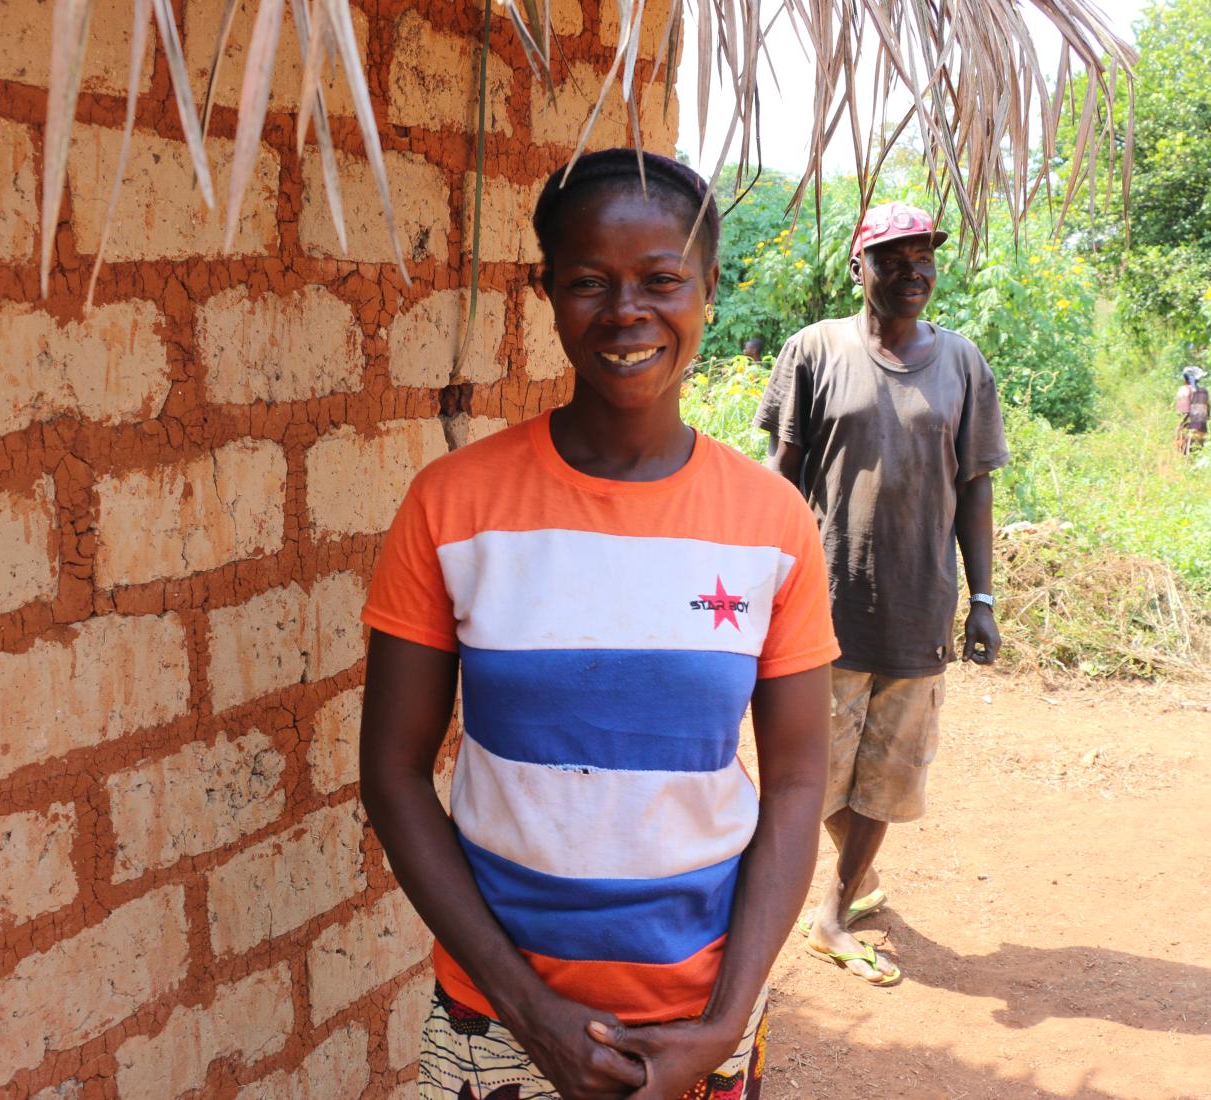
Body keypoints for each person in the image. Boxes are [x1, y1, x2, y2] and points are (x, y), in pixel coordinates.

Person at [359, 148, 840, 1100]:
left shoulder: (772, 523)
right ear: (547, 292)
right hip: (499, 1018)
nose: (627, 312)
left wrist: (722, 1024)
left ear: (708, 288)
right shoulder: (455, 506)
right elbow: (393, 773)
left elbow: (794, 785)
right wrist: (531, 1013)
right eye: (589, 282)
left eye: (662, 280)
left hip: (699, 1022)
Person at [753, 200, 1008, 986]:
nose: (913, 272)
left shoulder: (962, 363)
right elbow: (780, 478)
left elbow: (975, 491)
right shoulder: (814, 350)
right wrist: (760, 586)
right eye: (893, 259)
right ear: (858, 268)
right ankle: (851, 878)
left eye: (924, 256)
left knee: (889, 775)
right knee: (813, 771)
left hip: (917, 605)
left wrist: (985, 600)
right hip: (821, 608)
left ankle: (832, 909)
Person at [1175, 366, 1210, 454]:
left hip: (1186, 429)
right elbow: (1207, 413)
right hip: (1201, 429)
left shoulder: (1183, 390)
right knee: (1198, 453)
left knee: (1184, 455)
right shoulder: (1204, 392)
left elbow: (1183, 412)